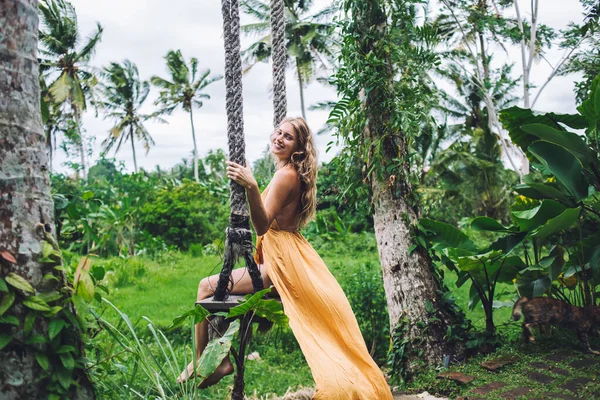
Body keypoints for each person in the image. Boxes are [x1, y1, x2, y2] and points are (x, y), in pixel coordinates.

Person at [178, 117, 393, 399]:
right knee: (213, 291)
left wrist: (252, 187)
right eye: (278, 132)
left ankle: (207, 362)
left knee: (206, 287)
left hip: (281, 264)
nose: (279, 138)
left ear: (299, 148)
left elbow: (262, 225)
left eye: (288, 137)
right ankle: (217, 359)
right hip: (288, 256)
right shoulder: (290, 172)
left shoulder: (285, 175)